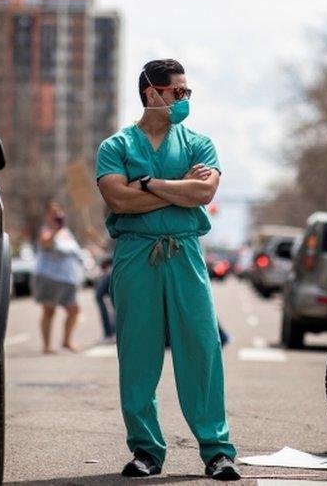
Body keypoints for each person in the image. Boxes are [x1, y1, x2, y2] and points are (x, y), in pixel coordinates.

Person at [95, 59, 240, 481]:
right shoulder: (115, 146)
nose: (184, 100)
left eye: (187, 93)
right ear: (152, 94)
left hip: (186, 255)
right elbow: (119, 202)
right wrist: (178, 191)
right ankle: (146, 451)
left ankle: (216, 451)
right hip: (135, 256)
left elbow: (204, 190)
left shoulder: (199, 143)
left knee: (201, 348)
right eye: (179, 92)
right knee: (138, 354)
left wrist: (147, 184)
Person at [33, 202, 83, 354]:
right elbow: (45, 243)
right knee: (49, 311)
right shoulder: (47, 230)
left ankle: (66, 340)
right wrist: (55, 230)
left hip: (68, 279)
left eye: (59, 211)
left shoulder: (66, 232)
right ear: (48, 216)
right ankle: (47, 346)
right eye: (53, 212)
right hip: (50, 277)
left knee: (74, 309)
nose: (57, 215)